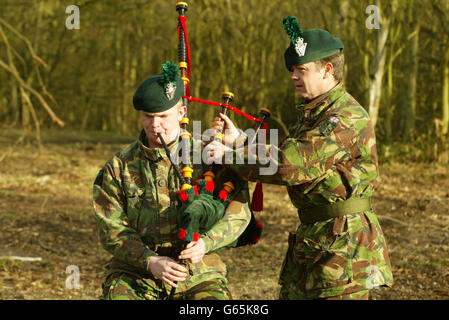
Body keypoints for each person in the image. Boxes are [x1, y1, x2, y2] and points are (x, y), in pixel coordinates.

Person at [205, 16, 393, 300]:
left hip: (346, 249)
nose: (293, 76)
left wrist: (230, 155)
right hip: (318, 240)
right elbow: (291, 151)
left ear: (327, 70)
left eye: (301, 69)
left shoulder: (344, 117)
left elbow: (290, 165)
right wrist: (241, 142)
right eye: (292, 69)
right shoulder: (314, 113)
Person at [93, 61, 251, 300]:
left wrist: (206, 244)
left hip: (199, 273)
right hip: (136, 273)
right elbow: (111, 228)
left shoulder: (210, 157)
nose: (155, 125)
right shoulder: (119, 167)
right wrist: (149, 260)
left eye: (163, 116)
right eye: (148, 116)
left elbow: (239, 213)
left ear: (181, 113)